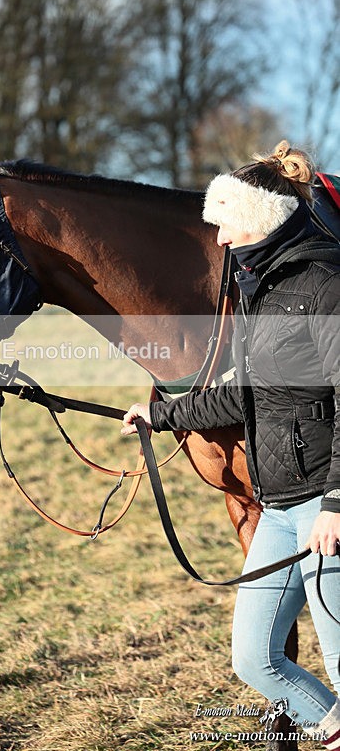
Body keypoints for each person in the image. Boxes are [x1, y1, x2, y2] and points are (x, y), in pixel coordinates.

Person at [122, 141, 340, 749]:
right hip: (278, 506)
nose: (218, 241)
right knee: (255, 660)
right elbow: (242, 395)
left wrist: (337, 503)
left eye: (226, 226)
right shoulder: (257, 292)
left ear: (260, 222)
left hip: (327, 509)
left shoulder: (326, 285)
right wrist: (161, 414)